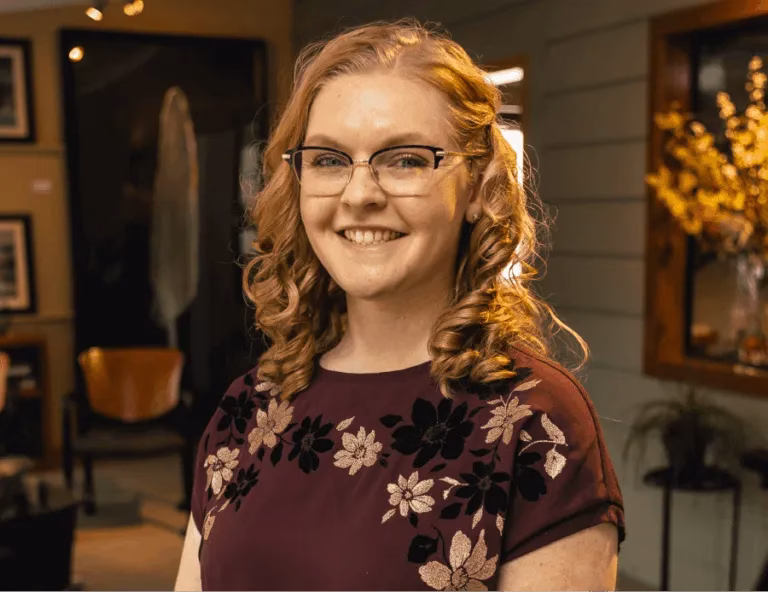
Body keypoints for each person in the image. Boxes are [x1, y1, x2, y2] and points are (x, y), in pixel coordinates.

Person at [175, 18, 625, 591]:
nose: (360, 194)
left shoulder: (535, 422)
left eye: (406, 159)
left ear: (479, 191)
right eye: (330, 160)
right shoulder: (249, 408)